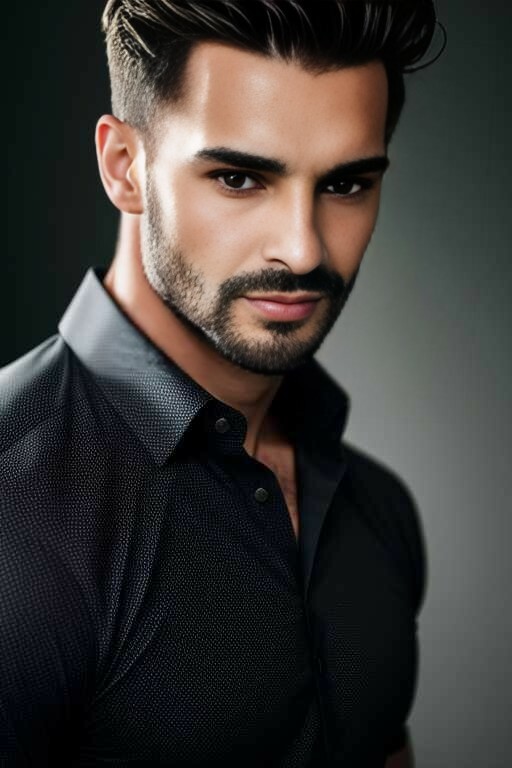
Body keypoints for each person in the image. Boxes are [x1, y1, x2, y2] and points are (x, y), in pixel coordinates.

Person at [0, 2, 444, 766]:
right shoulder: (15, 505)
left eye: (345, 184)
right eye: (239, 178)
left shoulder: (376, 506)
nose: (303, 250)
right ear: (124, 166)